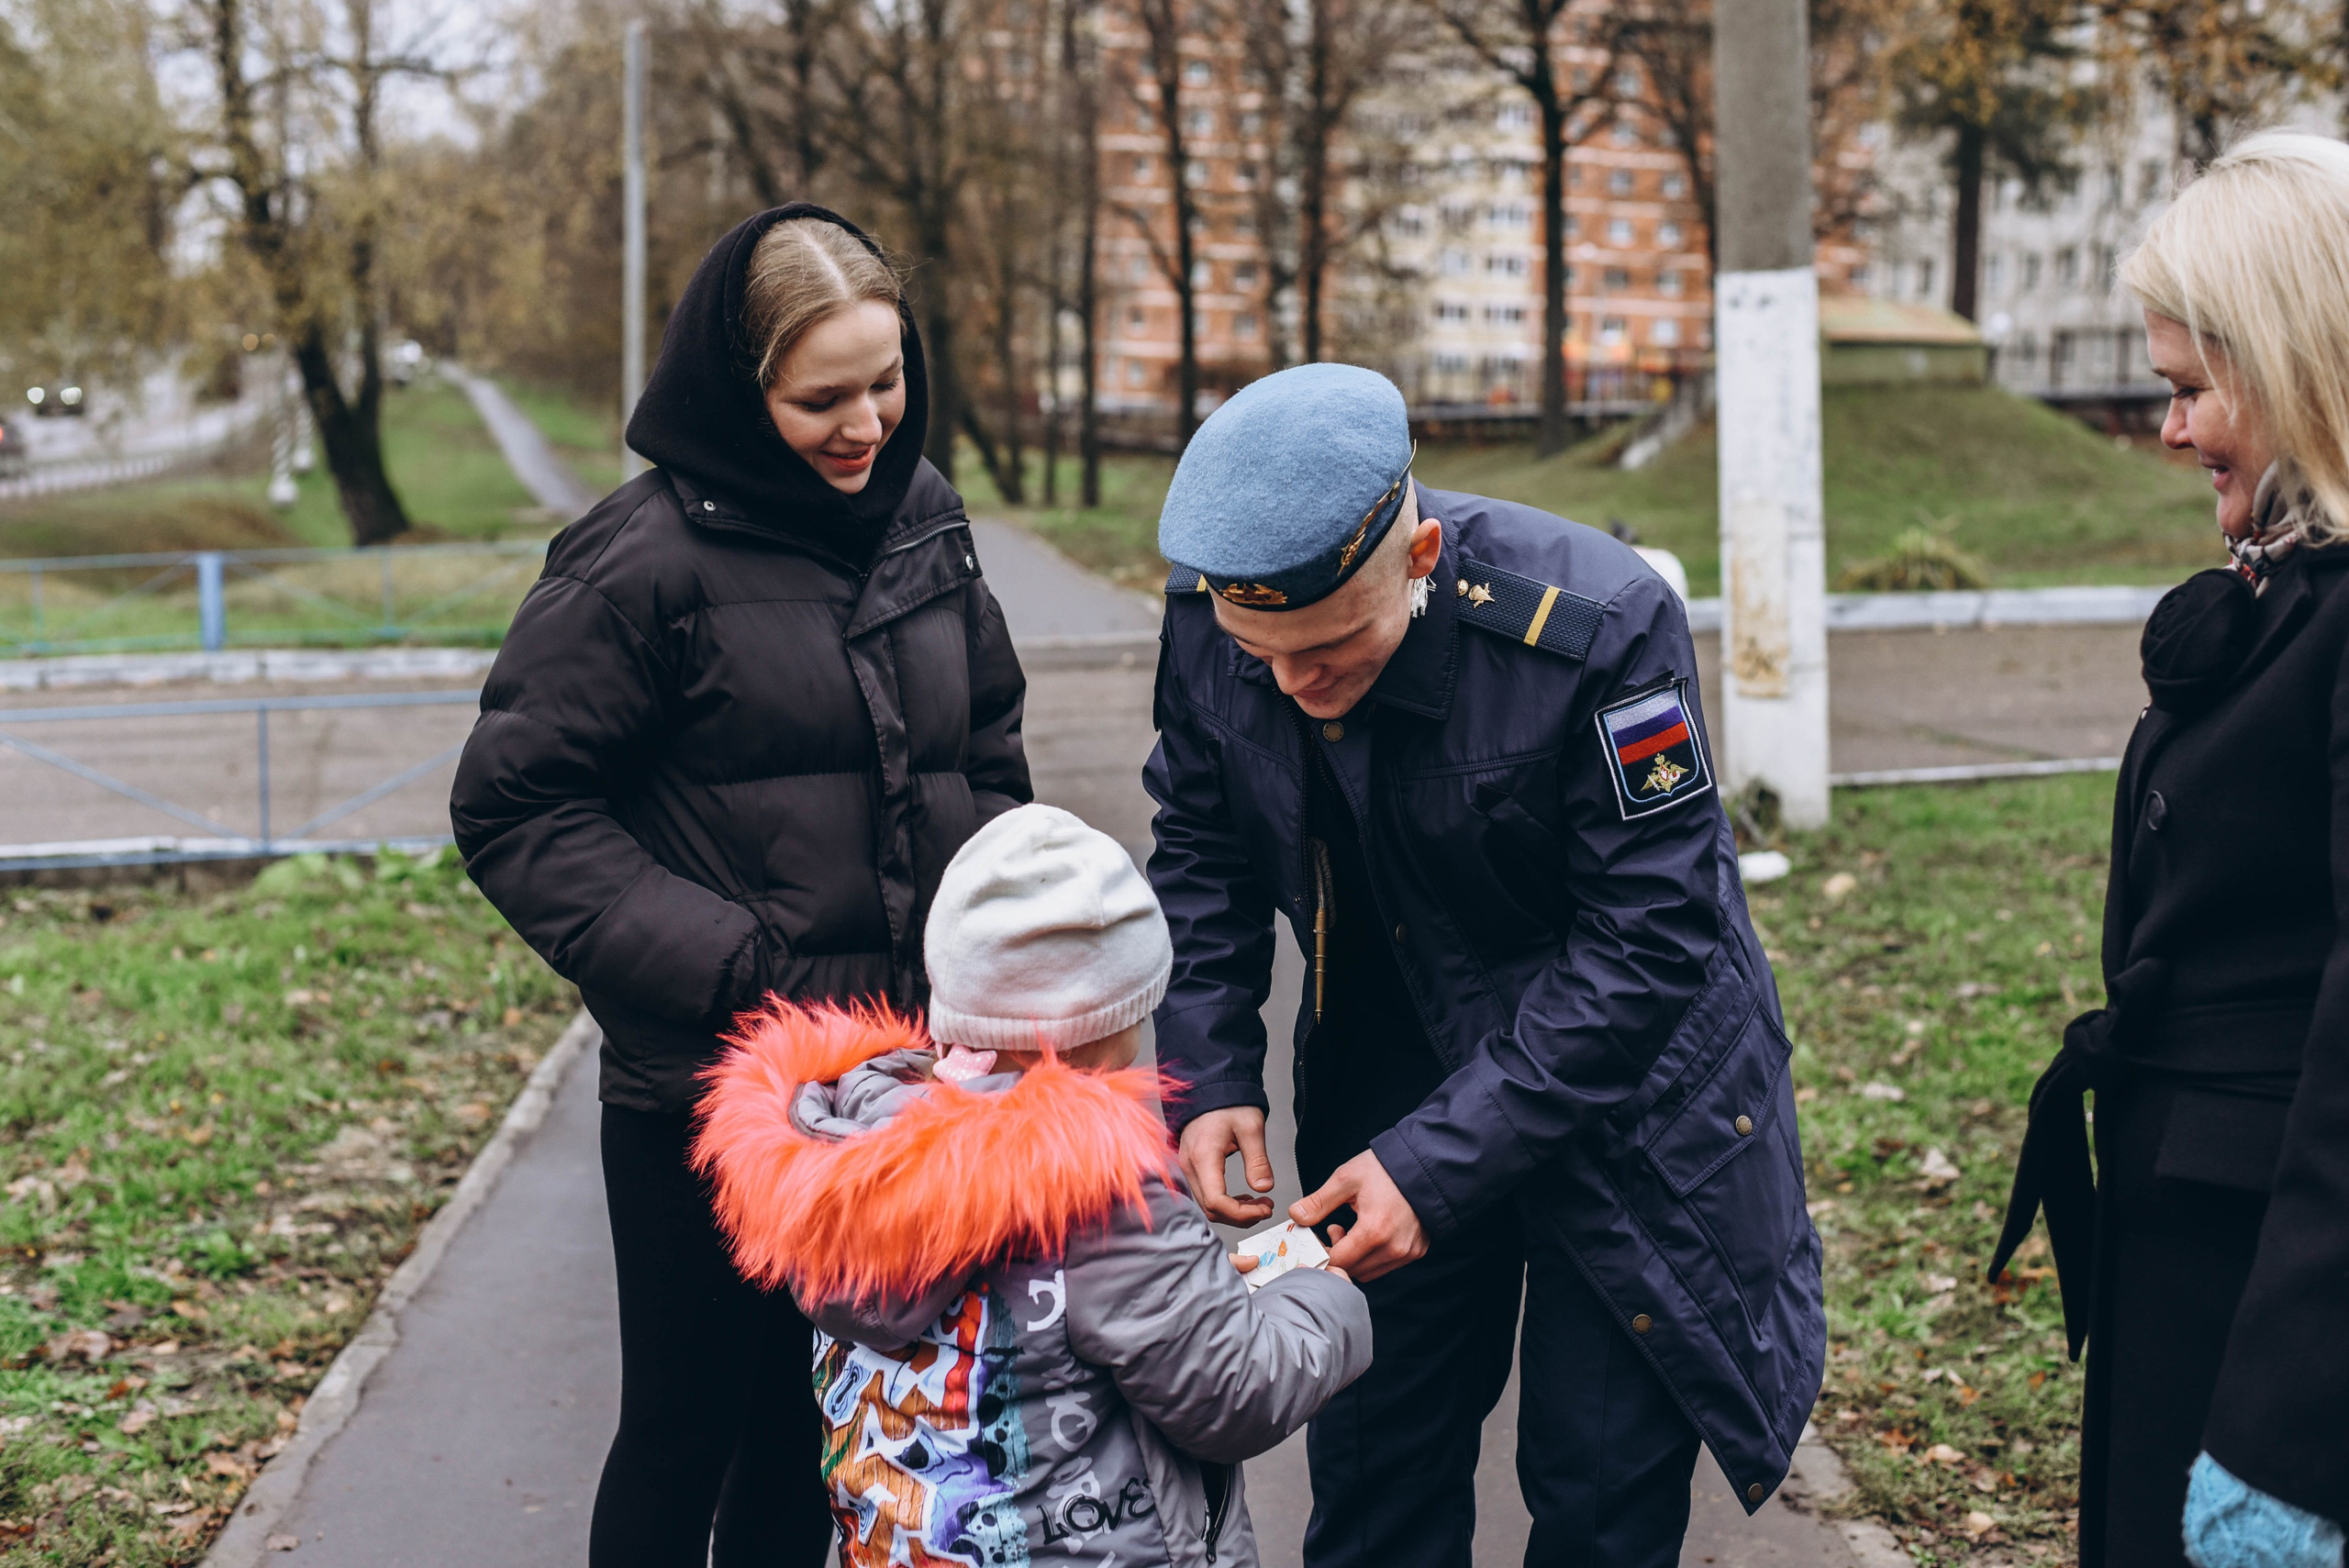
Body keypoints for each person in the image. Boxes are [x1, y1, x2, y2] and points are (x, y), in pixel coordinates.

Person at [1143, 361, 1824, 1567]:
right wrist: (1210, 1070)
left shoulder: (1600, 626)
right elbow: (1199, 839)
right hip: (1384, 1084)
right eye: (1267, 657)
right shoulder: (1210, 617)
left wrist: (1438, 1162)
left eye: (1332, 652)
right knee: (1373, 1478)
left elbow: (1654, 937)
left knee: (1597, 1494)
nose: (1296, 687)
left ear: (1421, 559)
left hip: (1627, 1113)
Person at [449, 205, 1030, 1567]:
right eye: (820, 397)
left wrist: (992, 952)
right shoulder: (637, 563)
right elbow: (515, 804)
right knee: (685, 1431)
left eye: (886, 381)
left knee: (815, 1429)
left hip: (900, 1093)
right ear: (736, 384)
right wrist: (738, 972)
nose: (866, 423)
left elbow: (985, 752)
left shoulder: (925, 522)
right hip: (713, 1101)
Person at [693, 804, 1374, 1567]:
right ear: (1102, 1026)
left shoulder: (846, 1156)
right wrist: (1325, 1293)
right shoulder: (1102, 1193)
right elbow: (1231, 1392)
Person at [1989, 131, 2349, 1568]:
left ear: (2310, 361)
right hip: (2199, 1230)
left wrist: (2288, 1435)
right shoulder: (2287, 589)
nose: (2172, 429)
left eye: (2195, 388)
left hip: (2277, 1292)